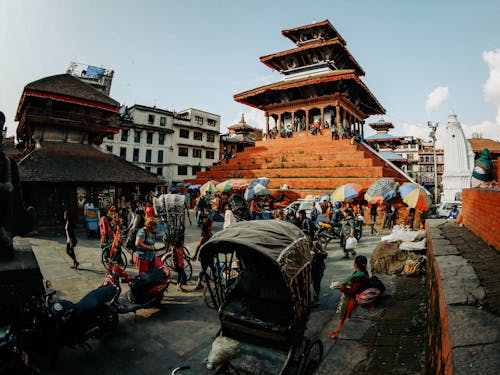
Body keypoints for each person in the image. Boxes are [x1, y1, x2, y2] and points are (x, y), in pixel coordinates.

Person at [328, 255, 370, 339]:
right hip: (354, 292)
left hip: (353, 297)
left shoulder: (358, 277)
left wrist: (342, 288)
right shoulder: (363, 273)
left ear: (356, 265)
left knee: (345, 309)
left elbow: (352, 291)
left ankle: (340, 330)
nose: (354, 264)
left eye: (355, 262)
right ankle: (339, 328)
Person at [193, 219, 213, 290]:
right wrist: (195, 255)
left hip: (209, 254)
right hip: (205, 255)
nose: (212, 226)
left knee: (205, 269)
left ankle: (199, 283)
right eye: (211, 225)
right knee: (205, 269)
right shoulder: (204, 235)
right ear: (208, 227)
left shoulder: (209, 233)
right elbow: (199, 245)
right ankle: (198, 283)